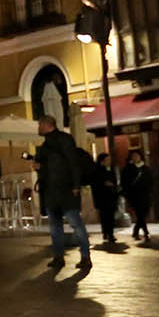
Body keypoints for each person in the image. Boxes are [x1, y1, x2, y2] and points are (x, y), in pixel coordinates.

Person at [32, 117, 92, 273]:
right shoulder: (46, 145)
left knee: (74, 223)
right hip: (52, 191)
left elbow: (73, 163)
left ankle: (85, 257)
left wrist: (75, 185)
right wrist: (39, 167)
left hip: (65, 190)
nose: (38, 127)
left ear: (47, 125)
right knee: (56, 226)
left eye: (40, 125)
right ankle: (59, 256)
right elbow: (52, 166)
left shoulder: (63, 140)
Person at [120, 147, 153, 242]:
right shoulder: (128, 169)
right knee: (140, 213)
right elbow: (124, 182)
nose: (135, 158)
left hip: (145, 195)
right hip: (134, 195)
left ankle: (136, 231)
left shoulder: (145, 168)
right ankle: (146, 232)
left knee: (143, 214)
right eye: (133, 156)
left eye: (137, 156)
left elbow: (151, 180)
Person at [91, 149, 121, 245]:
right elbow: (95, 184)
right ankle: (106, 232)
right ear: (102, 161)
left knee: (110, 216)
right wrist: (104, 184)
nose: (109, 161)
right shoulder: (97, 172)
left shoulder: (111, 170)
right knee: (104, 216)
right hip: (102, 197)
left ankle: (110, 233)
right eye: (107, 160)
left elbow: (115, 182)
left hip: (111, 196)